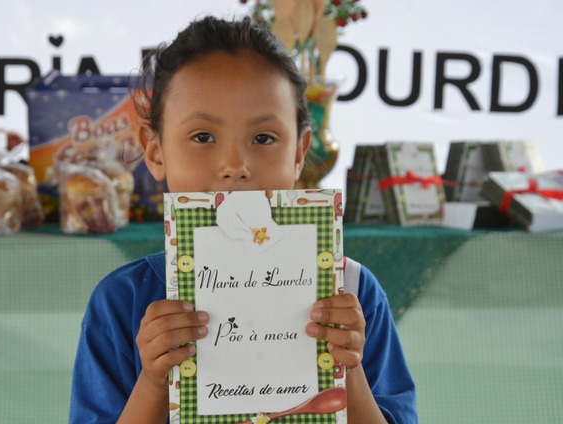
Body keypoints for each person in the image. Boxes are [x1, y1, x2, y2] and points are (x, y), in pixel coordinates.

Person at [69, 15, 417, 424]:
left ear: (300, 152)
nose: (235, 166)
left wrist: (348, 369)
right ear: (156, 150)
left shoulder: (353, 294)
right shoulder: (122, 302)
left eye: (264, 138)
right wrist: (153, 381)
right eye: (202, 137)